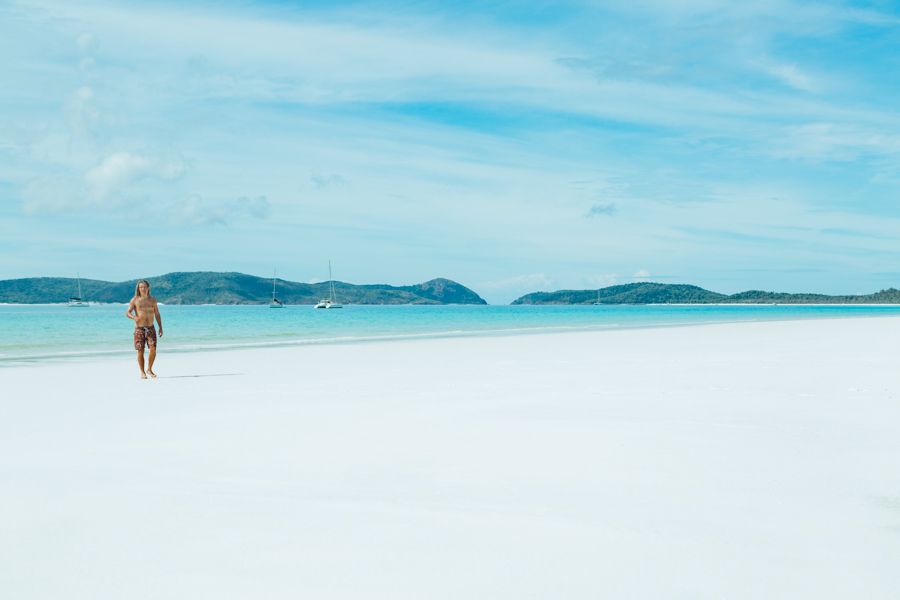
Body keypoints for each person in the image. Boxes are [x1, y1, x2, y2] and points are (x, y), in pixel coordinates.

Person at [125, 279, 163, 379]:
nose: (143, 289)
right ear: (138, 288)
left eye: (145, 287)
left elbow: (157, 314)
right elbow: (127, 312)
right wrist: (134, 317)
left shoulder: (153, 300)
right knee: (140, 350)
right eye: (141, 287)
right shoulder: (135, 300)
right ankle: (142, 372)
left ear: (148, 288)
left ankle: (149, 369)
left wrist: (160, 327)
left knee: (153, 349)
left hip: (151, 327)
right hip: (139, 328)